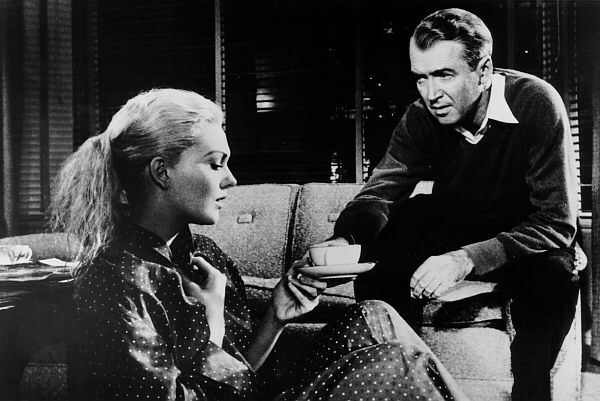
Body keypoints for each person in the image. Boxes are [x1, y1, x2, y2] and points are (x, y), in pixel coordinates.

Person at [50, 88, 469, 401]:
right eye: (215, 164)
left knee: (374, 316)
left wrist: (275, 315)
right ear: (162, 172)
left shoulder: (204, 256)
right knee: (393, 363)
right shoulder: (115, 282)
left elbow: (241, 375)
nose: (231, 180)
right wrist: (213, 328)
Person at [310, 8, 580, 401]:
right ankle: (397, 380)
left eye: (444, 75)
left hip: (525, 238)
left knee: (556, 273)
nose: (430, 93)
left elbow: (557, 221)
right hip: (461, 222)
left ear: (483, 71)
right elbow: (381, 191)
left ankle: (530, 392)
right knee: (397, 227)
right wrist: (346, 238)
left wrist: (464, 259)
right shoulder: (421, 115)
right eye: (421, 77)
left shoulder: (535, 102)